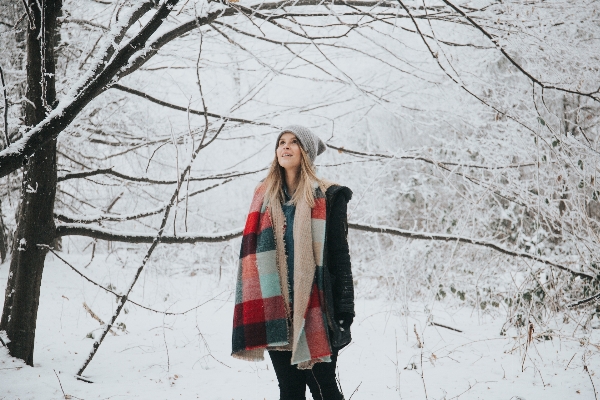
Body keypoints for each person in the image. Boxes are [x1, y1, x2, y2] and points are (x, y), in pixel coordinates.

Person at [232, 125, 355, 400]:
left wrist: (346, 311)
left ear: (307, 151)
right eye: (281, 142)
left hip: (317, 309)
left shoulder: (329, 196)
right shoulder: (264, 198)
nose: (285, 147)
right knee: (289, 391)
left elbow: (339, 256)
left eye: (294, 142)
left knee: (324, 390)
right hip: (276, 310)